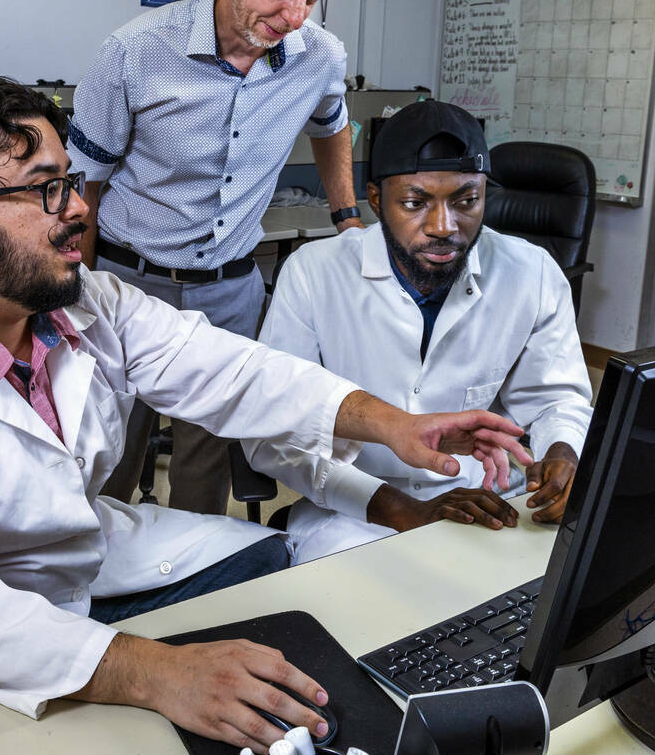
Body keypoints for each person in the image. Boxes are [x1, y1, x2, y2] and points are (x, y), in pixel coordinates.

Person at [0, 78, 532, 747]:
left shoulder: (85, 304)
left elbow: (235, 373)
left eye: (71, 182)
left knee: (273, 561)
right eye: (46, 190)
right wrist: (154, 674)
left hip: (73, 567)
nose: (79, 208)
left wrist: (393, 424)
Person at [68, 0, 364, 516]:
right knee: (109, 447)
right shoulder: (135, 51)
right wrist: (77, 290)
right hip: (127, 282)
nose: (296, 17)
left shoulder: (320, 57)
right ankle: (94, 589)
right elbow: (83, 188)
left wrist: (347, 220)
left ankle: (192, 594)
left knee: (206, 461)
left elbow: (333, 123)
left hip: (231, 289)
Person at [247, 100, 593, 563]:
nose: (443, 227)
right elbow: (276, 432)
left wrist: (563, 454)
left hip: (486, 499)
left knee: (539, 603)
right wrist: (403, 509)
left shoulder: (532, 272)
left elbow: (557, 399)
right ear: (375, 199)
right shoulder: (313, 274)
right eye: (415, 203)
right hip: (357, 510)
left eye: (467, 201)